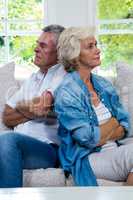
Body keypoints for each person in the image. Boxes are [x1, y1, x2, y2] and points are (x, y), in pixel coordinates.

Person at [54, 27, 133, 186]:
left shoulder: (103, 84)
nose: (97, 50)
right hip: (87, 159)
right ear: (74, 55)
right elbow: (87, 139)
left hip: (114, 151)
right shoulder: (66, 92)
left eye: (96, 45)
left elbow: (125, 125)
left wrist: (102, 133)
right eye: (90, 46)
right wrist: (112, 123)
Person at [1, 24, 66, 188]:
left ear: (59, 52)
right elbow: (7, 115)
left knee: (8, 140)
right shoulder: (33, 78)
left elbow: (41, 107)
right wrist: (33, 110)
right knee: (8, 142)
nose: (36, 49)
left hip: (47, 149)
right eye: (37, 44)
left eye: (43, 46)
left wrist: (25, 108)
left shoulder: (64, 75)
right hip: (20, 145)